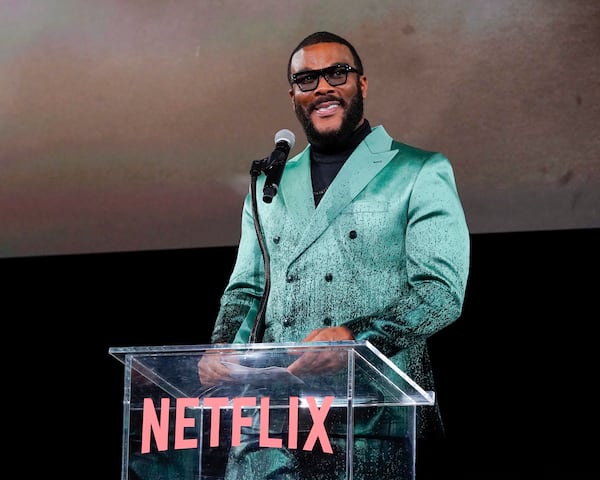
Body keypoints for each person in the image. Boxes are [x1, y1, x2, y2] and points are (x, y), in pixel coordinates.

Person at [198, 31, 470, 479]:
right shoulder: (270, 184)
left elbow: (440, 292)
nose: (322, 86)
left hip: (372, 422)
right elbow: (246, 291)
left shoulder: (419, 170)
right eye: (307, 79)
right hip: (269, 425)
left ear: (361, 84)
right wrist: (221, 349)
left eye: (336, 73)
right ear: (294, 96)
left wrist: (356, 343)